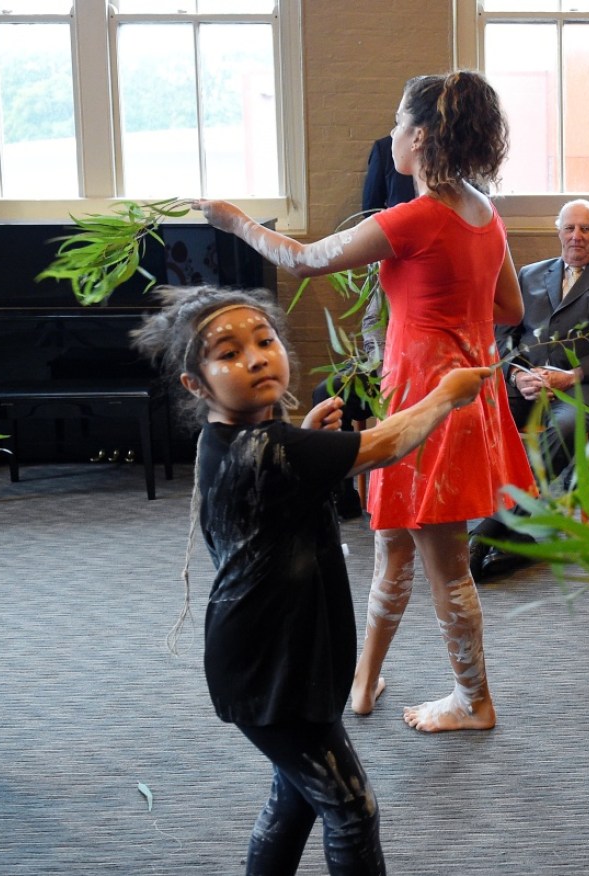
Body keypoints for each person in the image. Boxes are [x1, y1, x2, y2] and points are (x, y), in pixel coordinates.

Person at [195, 70, 535, 735]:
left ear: (420, 137)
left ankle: (474, 701)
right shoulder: (483, 212)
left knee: (444, 560)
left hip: (428, 397)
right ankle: (364, 676)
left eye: (397, 125)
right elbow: (510, 307)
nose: (391, 136)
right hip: (451, 389)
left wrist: (233, 220)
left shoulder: (411, 218)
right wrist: (445, 310)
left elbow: (304, 260)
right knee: (393, 543)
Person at [131, 283, 491, 874]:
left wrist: (305, 433)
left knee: (297, 795)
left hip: (284, 654)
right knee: (352, 810)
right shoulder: (272, 449)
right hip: (271, 667)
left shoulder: (231, 441)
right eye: (228, 353)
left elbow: (285, 463)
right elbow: (383, 444)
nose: (255, 357)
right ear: (195, 385)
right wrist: (446, 395)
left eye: (264, 340)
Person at [468, 198, 589, 580]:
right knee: (479, 417)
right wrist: (517, 374)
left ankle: (492, 529)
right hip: (525, 383)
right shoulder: (530, 275)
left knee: (566, 428)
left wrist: (571, 376)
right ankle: (519, 526)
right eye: (570, 228)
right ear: (558, 231)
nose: (576, 237)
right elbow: (502, 337)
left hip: (586, 386)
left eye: (585, 229)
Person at [311, 135, 419, 520]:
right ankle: (342, 496)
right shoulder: (382, 264)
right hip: (381, 368)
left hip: (422, 375)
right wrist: (380, 362)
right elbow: (373, 319)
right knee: (326, 392)